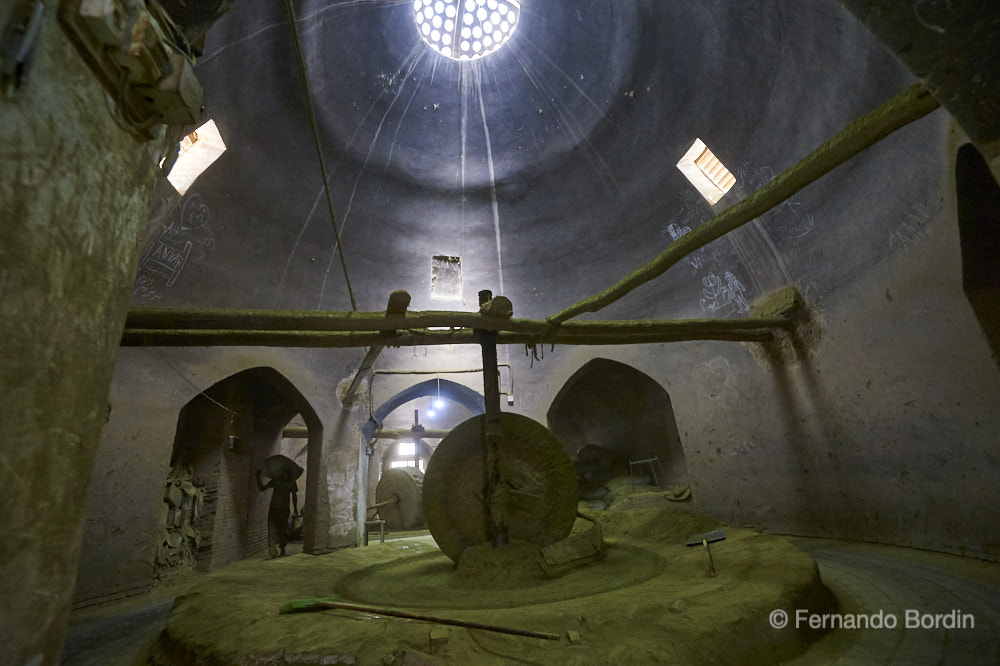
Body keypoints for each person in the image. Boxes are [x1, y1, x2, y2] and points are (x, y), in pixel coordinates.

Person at [255, 468, 298, 558]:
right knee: (280, 530)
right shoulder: (289, 482)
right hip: (280, 508)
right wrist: (295, 508)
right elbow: (294, 495)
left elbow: (262, 488)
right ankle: (278, 550)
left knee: (276, 530)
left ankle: (277, 551)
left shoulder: (277, 481)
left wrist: (257, 477)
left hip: (278, 508)